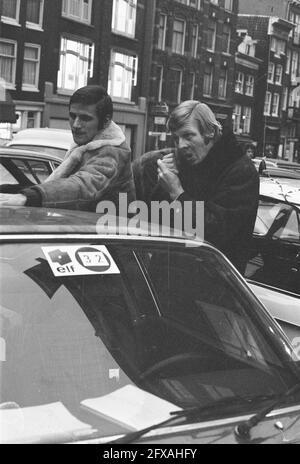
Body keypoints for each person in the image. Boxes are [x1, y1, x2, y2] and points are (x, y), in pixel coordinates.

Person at [133, 100, 259, 273]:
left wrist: (177, 192)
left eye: (188, 136)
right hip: (169, 278)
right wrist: (162, 185)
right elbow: (156, 221)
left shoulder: (239, 171)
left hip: (214, 284)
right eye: (176, 138)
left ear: (210, 133)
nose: (181, 145)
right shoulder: (187, 163)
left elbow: (215, 231)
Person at [0, 85, 135, 211]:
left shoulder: (112, 153)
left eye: (85, 118)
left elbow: (83, 186)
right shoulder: (86, 145)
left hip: (109, 233)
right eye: (72, 116)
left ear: (105, 121)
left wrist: (28, 197)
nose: (76, 124)